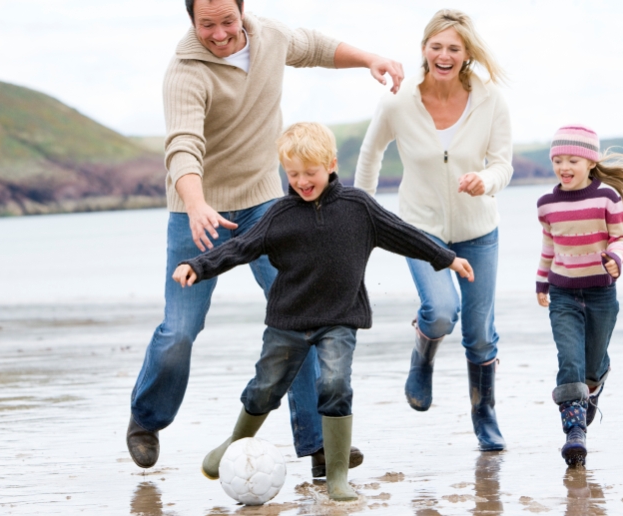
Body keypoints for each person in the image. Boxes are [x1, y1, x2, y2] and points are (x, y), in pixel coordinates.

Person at [127, 0, 406, 475]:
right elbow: (182, 146)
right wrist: (195, 203)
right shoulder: (185, 73)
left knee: (302, 315)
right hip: (197, 208)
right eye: (206, 24)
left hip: (264, 202)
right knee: (180, 331)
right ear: (192, 21)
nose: (219, 34)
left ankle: (319, 445)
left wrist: (370, 59)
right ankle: (146, 420)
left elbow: (316, 47)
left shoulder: (271, 37)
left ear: (243, 12)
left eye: (228, 21)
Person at [172, 122, 474, 501]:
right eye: (293, 173)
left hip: (340, 319)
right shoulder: (279, 215)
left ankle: (336, 476)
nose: (301, 181)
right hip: (288, 322)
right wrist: (198, 265)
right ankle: (234, 441)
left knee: (334, 385)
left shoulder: (358, 208)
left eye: (309, 172)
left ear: (331, 164)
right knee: (265, 388)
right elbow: (240, 247)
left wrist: (446, 258)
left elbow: (404, 233)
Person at [353, 9, 512, 451]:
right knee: (441, 312)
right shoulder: (398, 100)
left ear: (466, 55)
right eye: (436, 46)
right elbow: (370, 157)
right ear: (424, 49)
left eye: (454, 48)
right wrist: (363, 214)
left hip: (478, 231)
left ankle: (484, 413)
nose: (444, 55)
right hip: (420, 230)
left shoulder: (490, 99)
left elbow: (503, 163)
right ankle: (423, 353)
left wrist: (488, 181)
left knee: (479, 333)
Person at [535, 125, 623, 466]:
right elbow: (549, 245)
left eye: (572, 159)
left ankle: (595, 381)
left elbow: (620, 237)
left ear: (590, 162)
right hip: (562, 292)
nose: (564, 166)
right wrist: (542, 281)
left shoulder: (608, 197)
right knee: (570, 360)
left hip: (602, 293)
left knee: (591, 365)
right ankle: (574, 432)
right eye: (558, 160)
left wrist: (616, 258)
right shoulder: (546, 204)